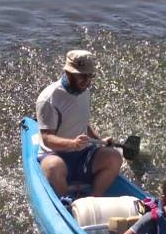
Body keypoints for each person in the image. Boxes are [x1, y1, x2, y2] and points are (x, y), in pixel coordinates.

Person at [36, 49, 123, 198]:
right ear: (68, 72)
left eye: (90, 75)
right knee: (53, 167)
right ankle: (67, 203)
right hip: (55, 155)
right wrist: (73, 144)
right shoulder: (49, 98)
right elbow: (47, 139)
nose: (87, 80)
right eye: (82, 75)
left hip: (82, 154)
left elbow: (82, 122)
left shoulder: (84, 91)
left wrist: (100, 140)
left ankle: (94, 199)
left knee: (115, 157)